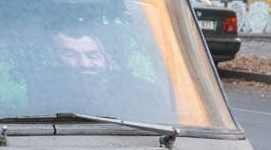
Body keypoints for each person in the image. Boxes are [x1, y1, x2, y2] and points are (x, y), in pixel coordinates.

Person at [32, 24, 174, 120]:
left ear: (108, 58)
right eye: (71, 55)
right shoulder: (44, 92)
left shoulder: (144, 94)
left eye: (93, 55)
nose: (85, 64)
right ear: (55, 59)